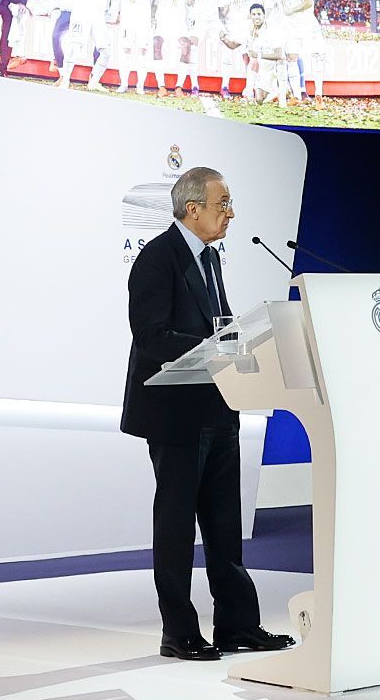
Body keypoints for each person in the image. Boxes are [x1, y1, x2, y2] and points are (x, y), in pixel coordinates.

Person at [122, 166, 295, 662]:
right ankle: (178, 631)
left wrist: (233, 345)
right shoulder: (157, 260)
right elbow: (152, 337)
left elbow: (214, 330)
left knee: (224, 524)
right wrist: (218, 344)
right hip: (174, 415)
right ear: (192, 208)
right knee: (176, 527)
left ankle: (237, 625)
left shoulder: (211, 259)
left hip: (217, 407)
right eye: (223, 204)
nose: (231, 214)